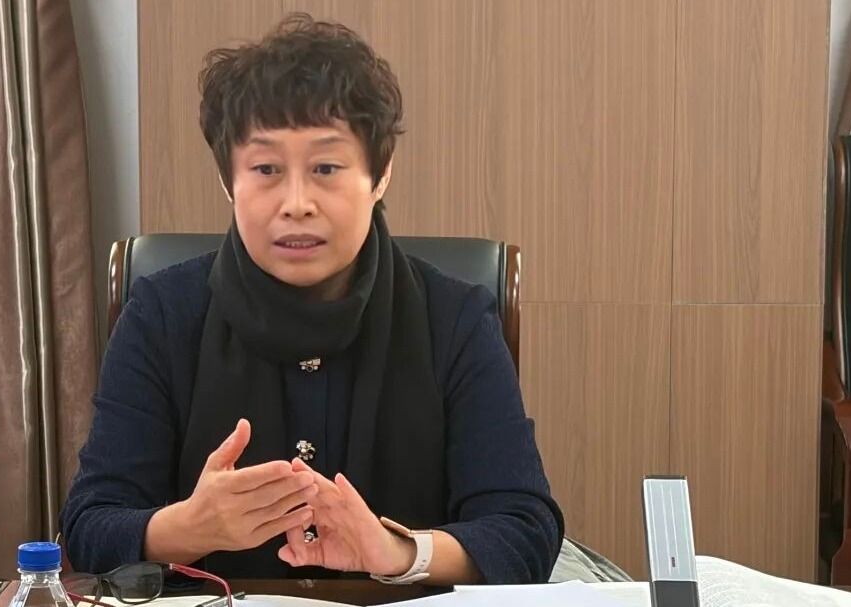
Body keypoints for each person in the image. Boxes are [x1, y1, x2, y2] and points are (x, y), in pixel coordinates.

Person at [61, 13, 563, 585]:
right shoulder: (161, 313)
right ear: (228, 181)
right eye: (266, 169)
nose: (296, 202)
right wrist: (193, 527)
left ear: (380, 175)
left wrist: (397, 553)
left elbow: (524, 532)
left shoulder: (455, 320)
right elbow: (88, 527)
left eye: (325, 167)